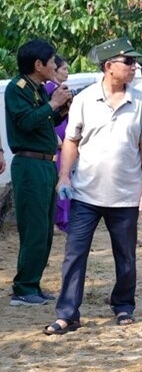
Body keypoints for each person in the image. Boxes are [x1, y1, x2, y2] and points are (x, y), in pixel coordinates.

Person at [44, 37, 142, 335]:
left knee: (126, 255)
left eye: (135, 62)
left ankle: (123, 305)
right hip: (85, 193)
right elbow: (71, 140)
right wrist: (64, 176)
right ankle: (68, 313)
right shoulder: (84, 99)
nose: (135, 67)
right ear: (109, 67)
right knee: (74, 254)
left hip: (126, 194)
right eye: (129, 62)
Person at [6, 39, 71, 306]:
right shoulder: (17, 89)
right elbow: (27, 122)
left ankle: (33, 283)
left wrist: (62, 108)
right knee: (33, 228)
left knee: (45, 228)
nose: (56, 65)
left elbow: (45, 122)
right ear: (38, 64)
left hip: (46, 164)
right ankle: (23, 288)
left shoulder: (40, 89)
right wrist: (53, 104)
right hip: (29, 165)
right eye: (52, 60)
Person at [44, 55, 71, 233]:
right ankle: (58, 219)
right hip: (57, 140)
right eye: (63, 69)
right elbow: (45, 115)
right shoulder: (48, 89)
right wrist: (55, 137)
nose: (67, 72)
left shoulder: (62, 89)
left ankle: (64, 218)